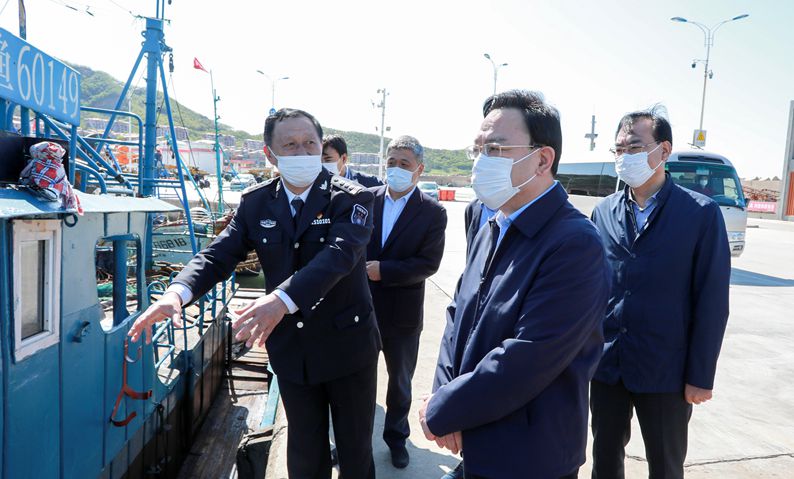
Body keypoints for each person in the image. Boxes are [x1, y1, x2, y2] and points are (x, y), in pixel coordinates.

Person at [128, 108, 381, 479]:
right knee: (304, 453)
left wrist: (279, 301)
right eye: (290, 145)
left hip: (348, 347)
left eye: (310, 143)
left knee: (355, 453)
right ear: (270, 154)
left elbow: (338, 256)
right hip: (293, 351)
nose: (302, 152)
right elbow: (218, 254)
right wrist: (176, 294)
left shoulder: (351, 198)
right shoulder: (257, 202)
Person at [419, 90, 611, 479]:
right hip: (475, 434)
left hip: (530, 455)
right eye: (478, 150)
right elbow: (459, 312)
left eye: (495, 149)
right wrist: (444, 394)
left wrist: (444, 409)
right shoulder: (490, 222)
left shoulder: (575, 243)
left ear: (542, 159)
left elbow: (530, 355)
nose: (480, 162)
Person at [589, 109, 730, 479]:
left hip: (667, 370)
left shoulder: (700, 214)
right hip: (608, 366)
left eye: (635, 147)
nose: (625, 157)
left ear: (664, 150)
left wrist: (701, 375)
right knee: (604, 461)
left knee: (666, 465)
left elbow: (712, 301)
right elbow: (591, 289)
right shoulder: (604, 212)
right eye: (619, 150)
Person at [365, 135, 447, 468]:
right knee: (358, 383)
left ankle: (396, 439)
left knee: (400, 384)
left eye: (404, 164)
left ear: (419, 169)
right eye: (391, 162)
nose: (396, 169)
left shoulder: (432, 212)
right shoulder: (365, 200)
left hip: (403, 317)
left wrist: (383, 271)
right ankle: (354, 441)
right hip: (362, 311)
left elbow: (428, 263)